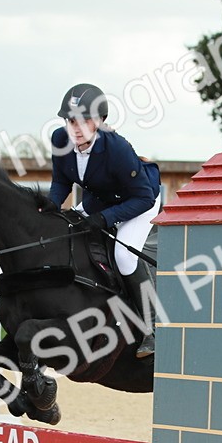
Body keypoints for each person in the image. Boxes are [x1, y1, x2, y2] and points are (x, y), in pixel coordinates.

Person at [49, 82, 160, 357]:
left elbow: (143, 198)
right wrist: (49, 208)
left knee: (124, 257)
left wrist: (105, 218)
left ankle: (152, 328)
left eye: (83, 120)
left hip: (139, 201)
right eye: (70, 120)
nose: (75, 127)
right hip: (101, 201)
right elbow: (61, 181)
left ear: (99, 121)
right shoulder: (60, 140)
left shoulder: (117, 149)